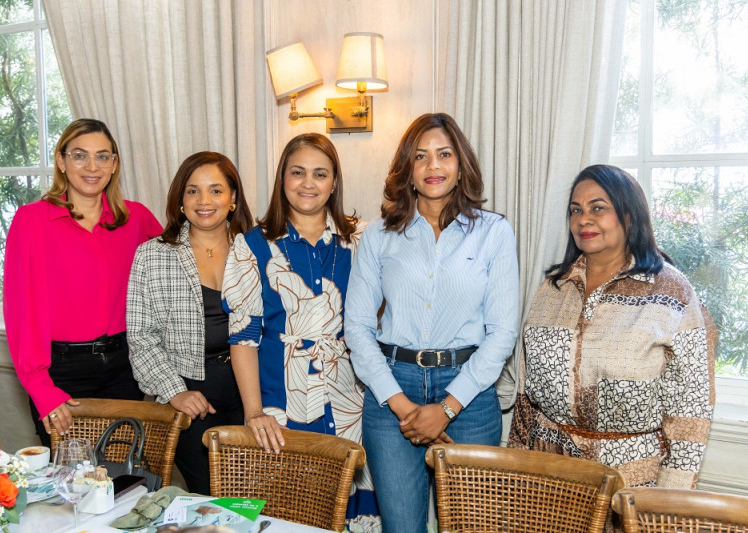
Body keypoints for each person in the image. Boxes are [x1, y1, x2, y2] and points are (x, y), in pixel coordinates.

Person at [344, 112, 520, 533]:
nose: (433, 166)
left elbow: (502, 334)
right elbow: (357, 329)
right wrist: (404, 408)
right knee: (402, 528)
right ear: (407, 169)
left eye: (444, 154)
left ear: (461, 165)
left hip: (470, 394)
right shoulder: (380, 236)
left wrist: (446, 407)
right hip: (392, 395)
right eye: (420, 157)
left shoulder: (493, 232)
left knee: (470, 527)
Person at [507, 164, 717, 489]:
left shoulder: (671, 292)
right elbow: (526, 398)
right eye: (575, 210)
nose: (583, 219)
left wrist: (670, 500)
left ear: (629, 215)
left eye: (598, 208)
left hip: (632, 482)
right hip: (549, 477)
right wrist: (516, 474)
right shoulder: (553, 289)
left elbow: (690, 407)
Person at [222, 133, 380, 531]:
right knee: (288, 514)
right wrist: (254, 412)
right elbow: (243, 337)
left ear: (334, 182)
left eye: (320, 173)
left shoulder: (361, 239)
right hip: (280, 410)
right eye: (298, 172)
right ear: (282, 179)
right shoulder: (251, 246)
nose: (308, 183)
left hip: (352, 408)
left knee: (351, 513)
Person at [3, 118, 162, 447]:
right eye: (79, 155)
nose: (92, 166)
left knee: (126, 483)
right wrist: (42, 390)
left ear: (114, 164)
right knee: (68, 487)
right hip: (61, 375)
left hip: (124, 369)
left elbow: (177, 269)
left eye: (103, 156)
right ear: (61, 161)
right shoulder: (32, 221)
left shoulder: (135, 218)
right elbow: (21, 312)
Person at [127, 152, 253, 494]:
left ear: (233, 199)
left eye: (215, 190)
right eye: (193, 191)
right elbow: (141, 338)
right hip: (192, 400)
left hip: (252, 394)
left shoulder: (256, 250)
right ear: (180, 202)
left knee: (255, 495)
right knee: (210, 498)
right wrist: (174, 392)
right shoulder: (152, 255)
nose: (204, 201)